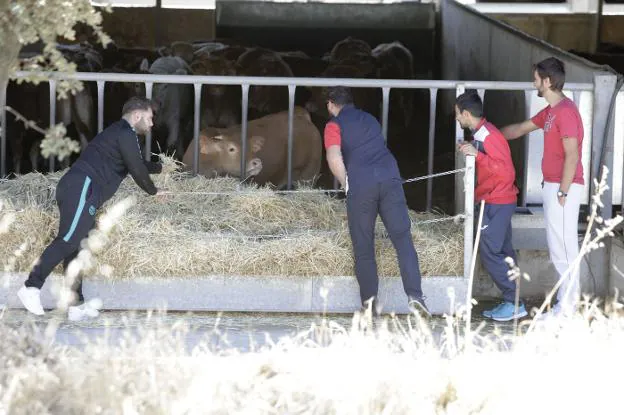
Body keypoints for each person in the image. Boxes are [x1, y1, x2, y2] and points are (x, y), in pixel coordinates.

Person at [17, 96, 164, 316]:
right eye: (149, 118)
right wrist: (154, 191)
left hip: (85, 192)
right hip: (82, 188)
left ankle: (75, 304)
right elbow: (137, 169)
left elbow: (138, 164)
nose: (152, 124)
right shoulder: (125, 133)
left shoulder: (120, 134)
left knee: (77, 247)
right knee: (67, 240)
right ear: (137, 115)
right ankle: (31, 287)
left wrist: (163, 167)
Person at [322, 86, 430, 318]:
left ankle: (370, 307)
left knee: (364, 248)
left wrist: (345, 182)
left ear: (331, 105)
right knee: (403, 240)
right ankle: (415, 296)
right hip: (390, 176)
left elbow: (333, 156)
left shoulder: (333, 125)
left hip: (362, 183)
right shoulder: (370, 119)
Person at [500, 57, 585, 317]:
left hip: (563, 188)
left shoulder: (566, 111)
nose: (534, 82)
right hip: (554, 186)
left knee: (563, 246)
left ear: (547, 81)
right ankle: (568, 304)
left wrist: (563, 191)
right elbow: (518, 130)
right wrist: (486, 133)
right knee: (560, 245)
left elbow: (572, 154)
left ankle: (568, 308)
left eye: (536, 78)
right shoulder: (549, 112)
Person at [455, 91, 526, 321]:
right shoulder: (483, 133)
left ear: (466, 114)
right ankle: (513, 301)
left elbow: (505, 171)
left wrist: (477, 155)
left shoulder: (489, 136)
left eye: (457, 115)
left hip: (496, 201)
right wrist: (472, 148)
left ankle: (513, 301)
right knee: (503, 251)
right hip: (499, 200)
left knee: (489, 250)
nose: (457, 119)